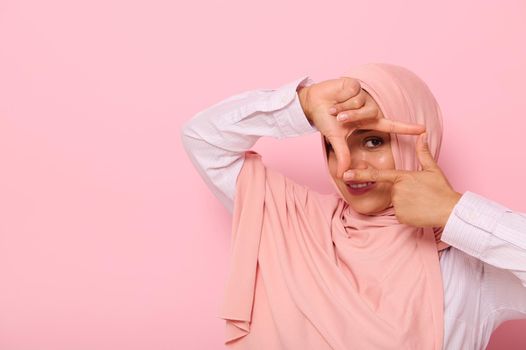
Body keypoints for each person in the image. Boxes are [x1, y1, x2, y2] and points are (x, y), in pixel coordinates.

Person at [180, 63, 526, 349]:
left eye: (373, 141)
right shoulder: (292, 221)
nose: (348, 166)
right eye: (333, 146)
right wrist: (302, 106)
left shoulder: (467, 265)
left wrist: (454, 213)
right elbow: (203, 139)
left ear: (420, 140)